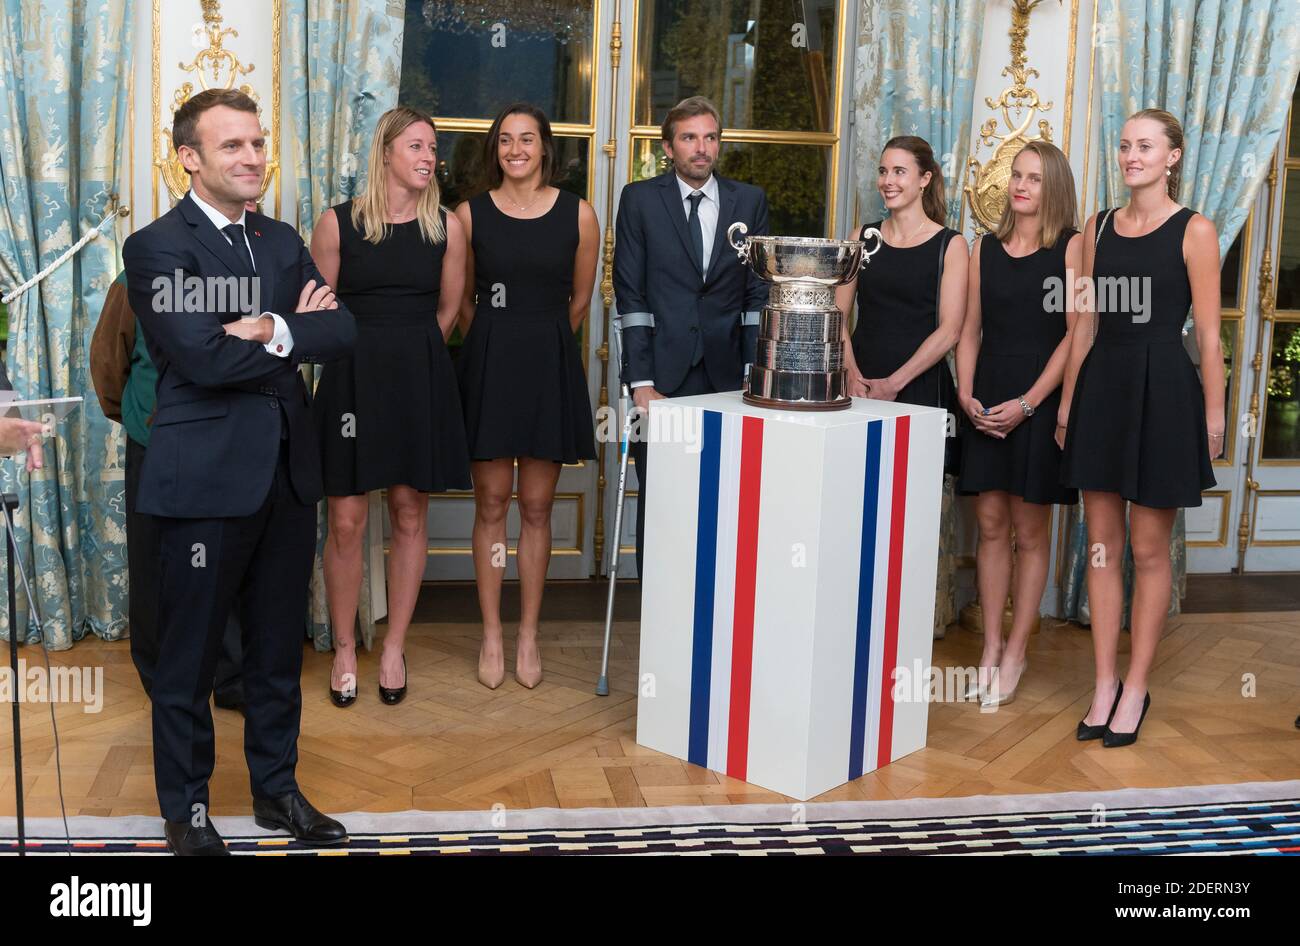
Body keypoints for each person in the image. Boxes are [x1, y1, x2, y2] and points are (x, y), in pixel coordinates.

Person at [122, 88, 356, 855]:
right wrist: (292, 333)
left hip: (288, 474)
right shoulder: (159, 247)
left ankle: (277, 793)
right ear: (189, 158)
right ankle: (186, 811)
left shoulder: (283, 240)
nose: (253, 156)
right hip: (204, 479)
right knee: (188, 658)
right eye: (233, 146)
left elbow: (341, 327)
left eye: (257, 143)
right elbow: (197, 355)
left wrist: (270, 325)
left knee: (276, 649)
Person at [1058, 108, 1223, 747]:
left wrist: (1212, 417)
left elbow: (1208, 335)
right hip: (1103, 386)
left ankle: (1136, 685)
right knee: (1100, 545)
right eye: (1125, 145)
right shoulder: (1096, 228)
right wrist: (1070, 403)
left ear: (1172, 157)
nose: (1132, 155)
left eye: (1145, 146)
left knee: (1149, 550)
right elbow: (1085, 325)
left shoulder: (1196, 230)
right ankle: (1103, 683)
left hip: (1165, 393)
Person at [311, 107, 470, 708]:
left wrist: (412, 355)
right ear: (385, 154)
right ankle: (347, 647)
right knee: (347, 520)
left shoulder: (448, 228)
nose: (429, 157)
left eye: (433, 148)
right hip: (352, 379)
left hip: (418, 378)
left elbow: (449, 311)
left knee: (408, 513)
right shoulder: (337, 224)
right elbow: (316, 314)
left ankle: (396, 645)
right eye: (416, 146)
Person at [453, 103, 599, 690]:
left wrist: (540, 339)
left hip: (548, 364)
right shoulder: (468, 215)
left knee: (537, 508)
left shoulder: (579, 214)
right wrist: (492, 336)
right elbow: (460, 300)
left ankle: (528, 634)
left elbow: (581, 301)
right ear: (496, 149)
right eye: (506, 140)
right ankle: (491, 633)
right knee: (491, 505)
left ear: (545, 148)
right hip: (489, 363)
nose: (516, 149)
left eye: (528, 140)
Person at [613, 95, 770, 577]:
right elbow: (631, 295)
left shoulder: (750, 201)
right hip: (662, 379)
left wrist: (753, 376)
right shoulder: (640, 200)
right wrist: (640, 383)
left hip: (729, 381)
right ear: (669, 146)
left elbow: (757, 296)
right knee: (661, 498)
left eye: (709, 137)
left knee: (727, 498)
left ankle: (718, 607)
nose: (701, 148)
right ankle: (657, 614)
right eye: (689, 138)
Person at [92, 252, 252, 707]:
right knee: (153, 562)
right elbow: (109, 359)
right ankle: (160, 676)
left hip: (229, 442)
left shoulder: (254, 275)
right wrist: (142, 420)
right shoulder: (136, 278)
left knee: (225, 560)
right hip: (157, 442)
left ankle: (230, 676)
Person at [954, 141, 1082, 705]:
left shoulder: (1073, 248)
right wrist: (964, 390)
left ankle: (1017, 650)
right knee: (988, 526)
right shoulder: (985, 247)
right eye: (1016, 176)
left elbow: (1079, 332)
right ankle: (989, 646)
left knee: (1030, 532)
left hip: (1039, 398)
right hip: (985, 397)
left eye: (1033, 177)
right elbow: (970, 328)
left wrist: (1031, 403)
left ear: (1053, 186)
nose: (1020, 186)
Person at [835, 135, 968, 638]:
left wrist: (896, 382)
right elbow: (838, 314)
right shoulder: (861, 238)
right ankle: (860, 615)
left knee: (919, 511)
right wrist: (853, 374)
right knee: (862, 503)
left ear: (924, 180)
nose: (888, 181)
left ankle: (918, 622)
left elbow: (950, 330)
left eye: (899, 172)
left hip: (921, 393)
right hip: (861, 390)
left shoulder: (952, 244)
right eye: (884, 171)